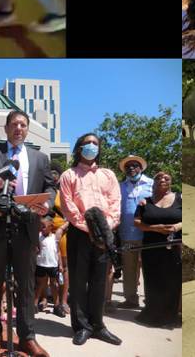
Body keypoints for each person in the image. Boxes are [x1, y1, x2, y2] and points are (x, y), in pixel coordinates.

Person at [0, 109, 54, 357]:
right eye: (14, 124)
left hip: (26, 228)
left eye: (23, 124)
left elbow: (50, 186)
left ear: (27, 129)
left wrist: (47, 204)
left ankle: (27, 337)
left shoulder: (39, 158)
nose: (19, 128)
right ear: (6, 128)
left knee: (26, 286)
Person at [59, 133, 122, 346]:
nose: (92, 146)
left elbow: (115, 203)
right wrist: (90, 230)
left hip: (104, 234)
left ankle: (98, 325)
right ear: (79, 148)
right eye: (88, 143)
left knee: (99, 281)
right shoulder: (69, 175)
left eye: (95, 143)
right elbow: (69, 206)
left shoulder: (108, 175)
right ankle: (81, 326)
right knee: (78, 281)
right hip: (80, 233)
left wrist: (107, 228)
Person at [134, 172, 182, 327]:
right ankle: (152, 314)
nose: (162, 180)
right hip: (151, 248)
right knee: (153, 281)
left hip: (173, 247)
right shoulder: (145, 202)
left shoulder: (180, 198)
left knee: (172, 281)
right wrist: (156, 228)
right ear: (153, 183)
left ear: (171, 182)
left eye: (166, 178)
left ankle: (170, 315)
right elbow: (137, 222)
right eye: (158, 178)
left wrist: (176, 226)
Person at [117, 155, 154, 309]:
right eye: (128, 166)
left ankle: (151, 299)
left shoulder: (151, 184)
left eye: (134, 165)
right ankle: (131, 299)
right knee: (129, 268)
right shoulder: (120, 186)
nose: (131, 168)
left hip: (148, 233)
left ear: (141, 167)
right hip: (127, 233)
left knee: (149, 267)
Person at [50, 162, 70, 317]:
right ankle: (52, 301)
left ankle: (64, 301)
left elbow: (73, 215)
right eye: (50, 172)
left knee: (64, 268)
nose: (52, 175)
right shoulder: (44, 190)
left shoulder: (65, 191)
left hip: (63, 233)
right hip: (47, 234)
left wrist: (62, 229)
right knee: (50, 268)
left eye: (55, 172)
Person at [34, 218, 59, 312]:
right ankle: (35, 304)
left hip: (53, 264)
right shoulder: (39, 236)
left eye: (44, 227)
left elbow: (58, 252)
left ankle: (57, 305)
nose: (42, 228)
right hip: (41, 264)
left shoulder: (55, 238)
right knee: (40, 284)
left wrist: (59, 265)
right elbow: (36, 248)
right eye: (41, 226)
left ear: (51, 227)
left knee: (54, 284)